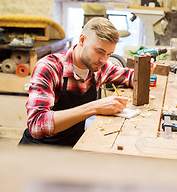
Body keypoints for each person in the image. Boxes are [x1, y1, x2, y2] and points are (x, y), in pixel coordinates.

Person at [19, 17, 134, 146]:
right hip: (39, 150)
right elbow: (37, 125)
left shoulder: (100, 68)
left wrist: (147, 69)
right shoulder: (49, 67)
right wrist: (95, 107)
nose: (103, 60)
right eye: (99, 52)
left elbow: (131, 77)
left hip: (73, 146)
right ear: (82, 40)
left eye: (108, 54)